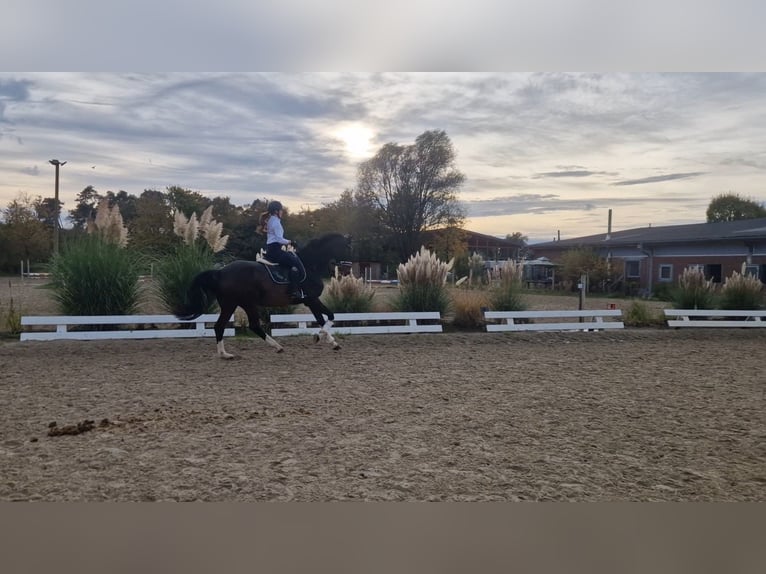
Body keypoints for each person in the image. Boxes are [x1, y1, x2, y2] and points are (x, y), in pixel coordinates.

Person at [260, 200, 305, 300]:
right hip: (275, 250)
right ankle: (294, 291)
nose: (282, 212)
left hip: (271, 249)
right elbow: (279, 239)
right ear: (276, 211)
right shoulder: (276, 222)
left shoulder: (270, 220)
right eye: (281, 210)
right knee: (295, 262)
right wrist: (291, 242)